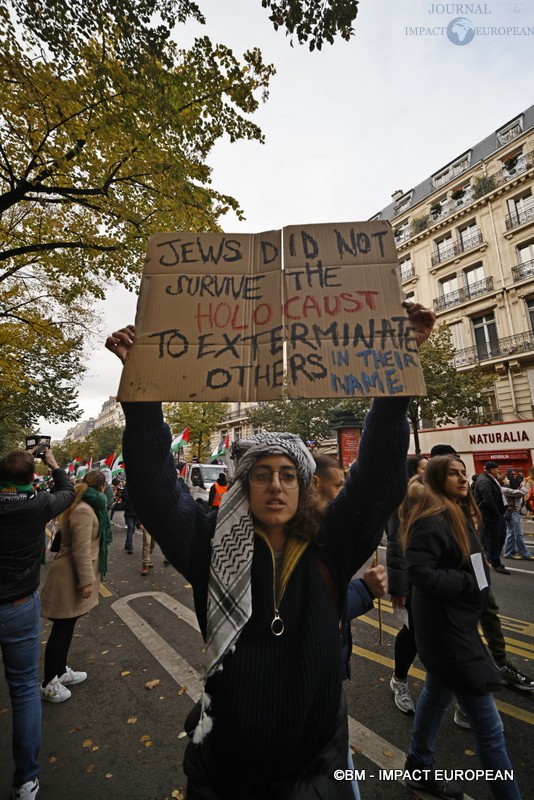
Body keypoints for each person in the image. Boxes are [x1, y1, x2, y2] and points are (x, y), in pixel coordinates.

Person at [105, 303, 435, 800]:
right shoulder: (209, 543)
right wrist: (142, 394)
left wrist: (397, 366)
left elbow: (377, 477)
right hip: (224, 770)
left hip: (318, 767)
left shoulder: (331, 542)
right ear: (244, 487)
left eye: (287, 475)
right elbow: (154, 488)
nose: (275, 486)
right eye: (262, 474)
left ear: (303, 488)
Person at [401, 456, 522, 800]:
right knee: (490, 728)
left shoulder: (455, 510)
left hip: (456, 624)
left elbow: (470, 562)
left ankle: (418, 766)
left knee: (436, 695)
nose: (462, 477)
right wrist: (468, 583)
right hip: (446, 630)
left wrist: (478, 588)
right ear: (438, 479)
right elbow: (420, 573)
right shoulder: (431, 518)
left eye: (462, 472)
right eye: (452, 473)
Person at [0, 447, 75, 800]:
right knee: (24, 688)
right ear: (32, 478)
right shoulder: (37, 505)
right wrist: (52, 463)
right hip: (18, 604)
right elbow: (67, 492)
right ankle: (26, 779)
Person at [40, 470, 112, 703]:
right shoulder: (83, 510)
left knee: (67, 626)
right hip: (69, 578)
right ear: (101, 488)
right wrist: (86, 581)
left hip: (72, 576)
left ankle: (60, 672)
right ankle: (49, 683)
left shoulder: (85, 505)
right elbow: (80, 550)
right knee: (62, 629)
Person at [386, 453, 428, 714]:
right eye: (423, 468)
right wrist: (398, 587)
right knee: (412, 631)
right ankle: (399, 679)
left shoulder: (436, 497)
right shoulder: (401, 500)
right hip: (413, 579)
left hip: (436, 578)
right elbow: (395, 545)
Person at [474, 460, 509, 574]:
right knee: (494, 538)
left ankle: (491, 558)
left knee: (498, 537)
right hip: (491, 515)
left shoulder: (489, 479)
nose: (498, 471)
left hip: (495, 514)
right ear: (492, 470)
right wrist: (497, 514)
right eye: (497, 469)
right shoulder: (484, 480)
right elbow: (488, 499)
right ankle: (494, 561)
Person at [502, 480, 532, 561]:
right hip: (512, 513)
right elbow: (521, 493)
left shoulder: (504, 489)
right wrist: (525, 485)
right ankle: (525, 554)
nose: (508, 480)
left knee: (511, 533)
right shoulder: (505, 489)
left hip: (510, 513)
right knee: (518, 534)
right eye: (506, 478)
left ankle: (508, 553)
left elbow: (516, 492)